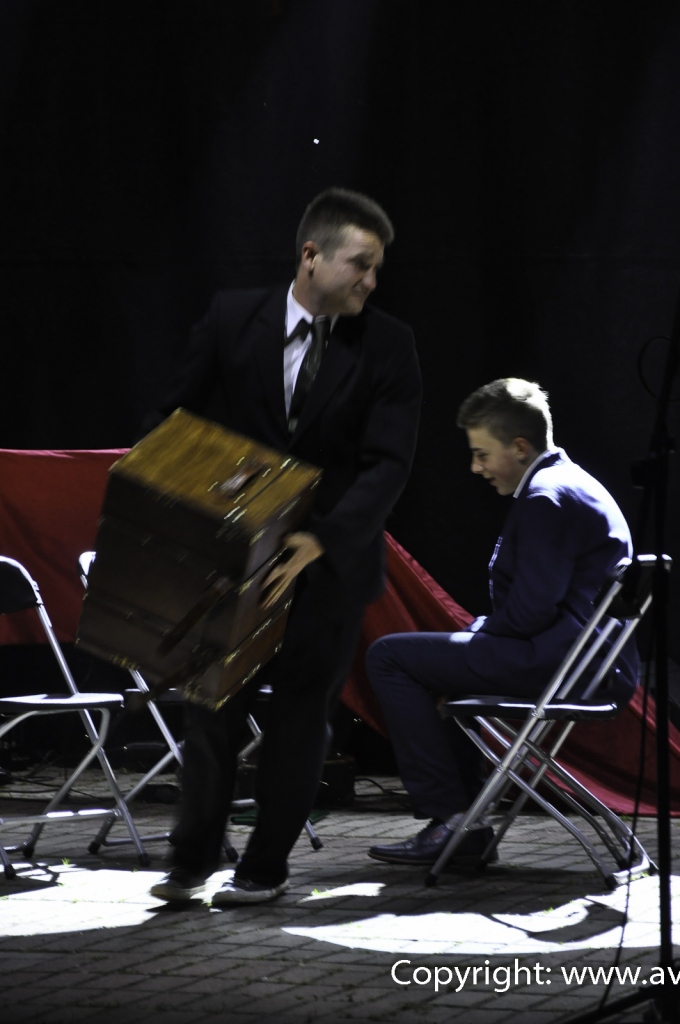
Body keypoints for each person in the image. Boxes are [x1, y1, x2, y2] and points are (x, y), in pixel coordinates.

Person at [146, 188, 421, 904]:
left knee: (300, 718)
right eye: (360, 264)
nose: (371, 281)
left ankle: (264, 870)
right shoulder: (233, 318)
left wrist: (319, 540)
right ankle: (190, 861)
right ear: (311, 255)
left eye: (377, 269)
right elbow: (175, 422)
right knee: (210, 712)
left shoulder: (389, 344)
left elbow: (388, 465)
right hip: (231, 562)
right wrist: (212, 503)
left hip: (326, 569)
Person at [365, 377, 639, 867]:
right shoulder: (573, 482)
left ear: (519, 447)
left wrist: (477, 634)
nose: (476, 468)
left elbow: (531, 612)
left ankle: (451, 820)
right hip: (590, 663)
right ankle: (461, 827)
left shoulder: (544, 498)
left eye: (482, 454)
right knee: (435, 666)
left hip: (559, 662)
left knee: (388, 656)